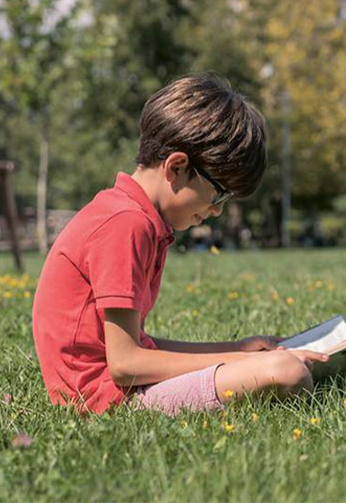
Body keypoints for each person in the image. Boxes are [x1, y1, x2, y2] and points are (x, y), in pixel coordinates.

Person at [31, 74, 328, 415]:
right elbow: (126, 365)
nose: (217, 210)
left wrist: (237, 348)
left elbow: (142, 348)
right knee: (285, 371)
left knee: (283, 366)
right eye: (220, 193)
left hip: (118, 390)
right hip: (108, 402)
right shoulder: (125, 224)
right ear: (177, 166)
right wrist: (244, 360)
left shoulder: (133, 217)